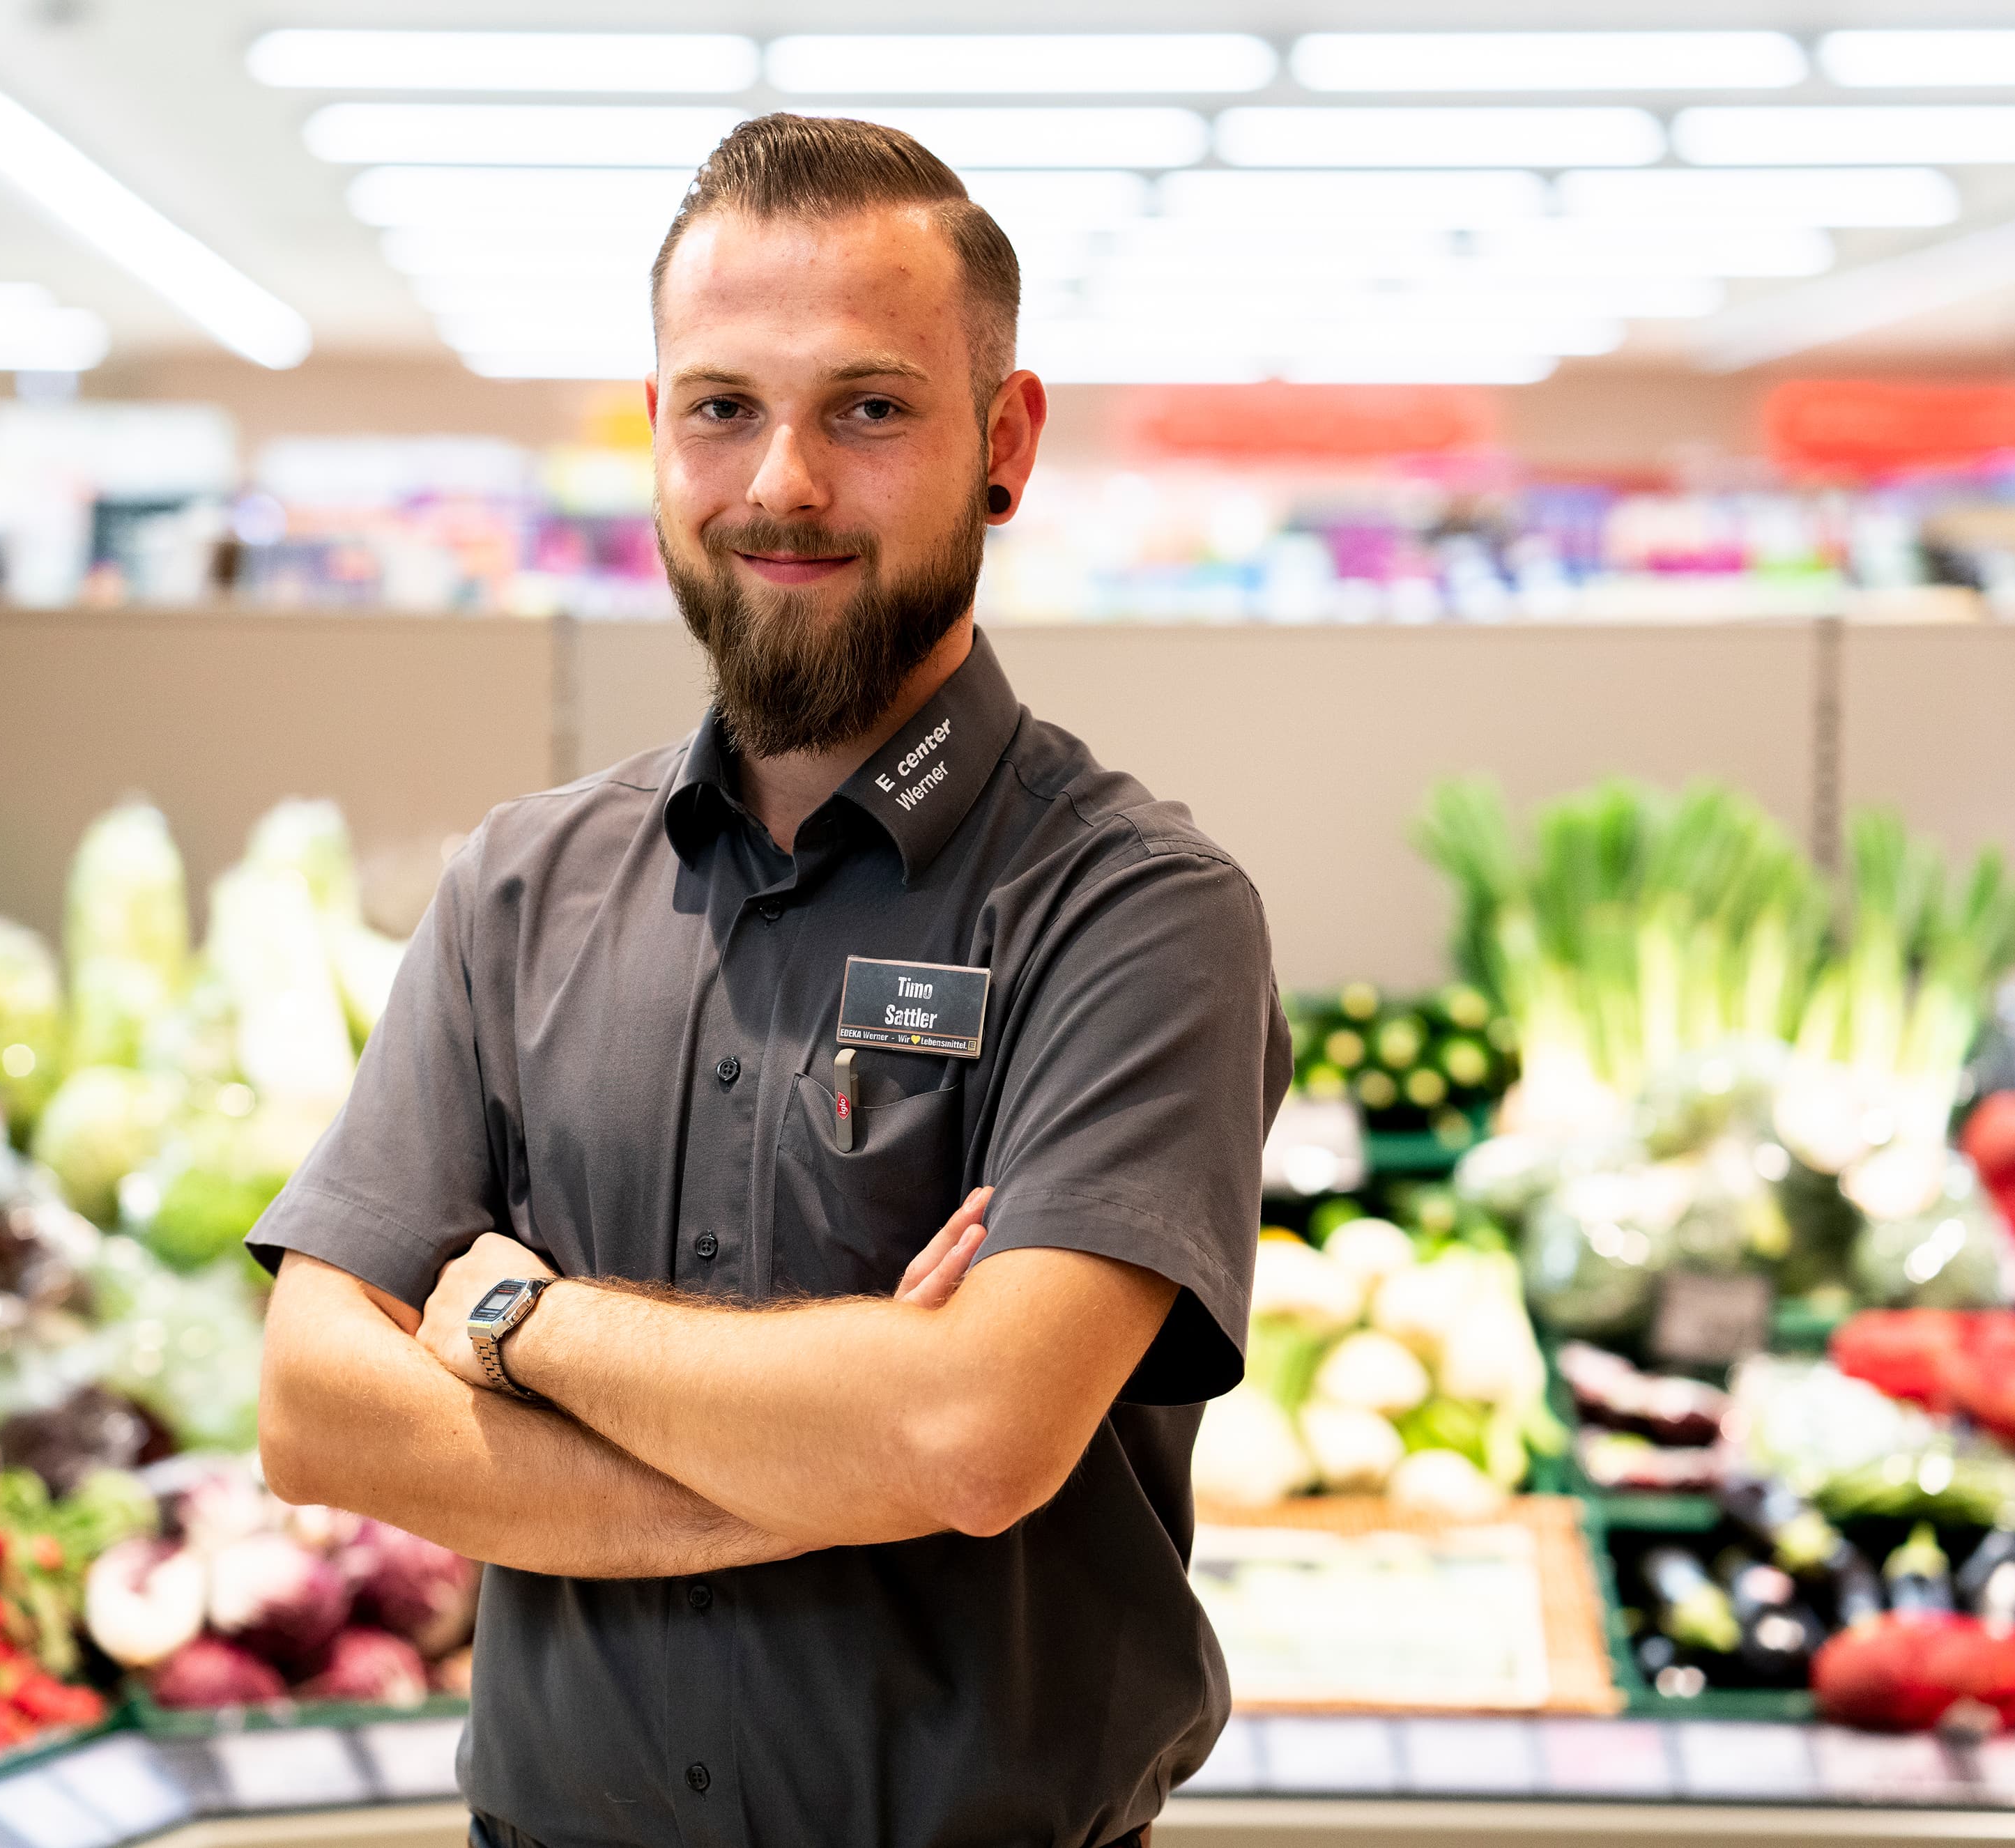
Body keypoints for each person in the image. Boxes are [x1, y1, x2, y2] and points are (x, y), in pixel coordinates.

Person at [253, 113, 1287, 1848]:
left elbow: (968, 1436)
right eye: (723, 406)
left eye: (868, 408)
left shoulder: (1134, 913)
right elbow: (316, 1415)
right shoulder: (521, 887)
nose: (783, 484)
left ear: (1002, 442)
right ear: (658, 432)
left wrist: (517, 1322)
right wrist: (833, 1447)